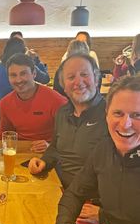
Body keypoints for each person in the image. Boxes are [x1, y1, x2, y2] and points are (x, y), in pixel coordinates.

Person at [54, 75, 140, 224]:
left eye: (137, 115)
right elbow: (75, 193)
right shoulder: (104, 149)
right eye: (118, 113)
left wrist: (102, 216)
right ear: (106, 114)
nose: (125, 124)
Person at [29, 54, 108, 188]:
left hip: (94, 200)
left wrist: (103, 207)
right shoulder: (62, 112)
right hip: (61, 189)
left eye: (84, 74)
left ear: (96, 79)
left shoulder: (112, 115)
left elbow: (126, 171)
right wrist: (44, 161)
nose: (78, 82)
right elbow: (55, 147)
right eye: (71, 77)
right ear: (64, 86)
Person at [0, 53, 67, 153]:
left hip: (48, 155)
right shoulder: (5, 103)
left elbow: (72, 137)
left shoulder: (57, 101)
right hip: (19, 152)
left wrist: (51, 146)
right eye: (13, 75)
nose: (18, 80)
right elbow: (4, 133)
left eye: (23, 73)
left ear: (34, 74)